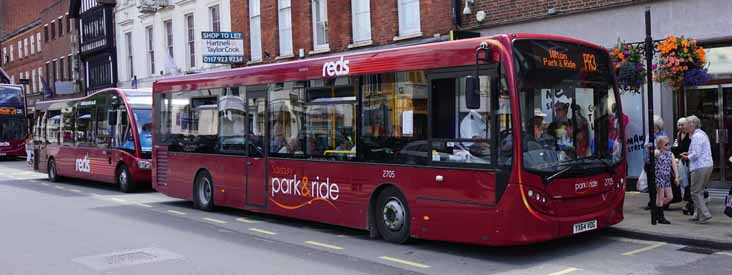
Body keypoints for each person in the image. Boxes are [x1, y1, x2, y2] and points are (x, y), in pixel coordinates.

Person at [680, 115, 714, 224]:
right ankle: (698, 214)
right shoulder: (701, 134)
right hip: (705, 165)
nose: (686, 126)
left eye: (687, 124)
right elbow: (697, 151)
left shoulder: (697, 136)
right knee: (699, 191)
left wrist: (687, 157)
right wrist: (689, 153)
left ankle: (704, 215)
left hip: (700, 166)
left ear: (693, 124)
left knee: (695, 192)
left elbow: (697, 154)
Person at [654, 136, 678, 224]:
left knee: (670, 197)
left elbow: (674, 166)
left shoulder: (670, 154)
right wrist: (652, 150)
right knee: (660, 196)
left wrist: (677, 176)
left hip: (667, 178)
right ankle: (660, 216)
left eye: (669, 144)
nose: (668, 146)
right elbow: (652, 154)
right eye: (666, 144)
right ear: (660, 145)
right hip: (659, 177)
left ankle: (656, 209)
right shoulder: (657, 152)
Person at [674, 118, 693, 215]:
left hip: (690, 161)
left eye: (682, 125)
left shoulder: (690, 135)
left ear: (687, 125)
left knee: (689, 182)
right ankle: (688, 203)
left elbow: (692, 148)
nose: (681, 127)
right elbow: (676, 147)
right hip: (682, 161)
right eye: (679, 125)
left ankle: (689, 204)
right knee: (685, 182)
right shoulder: (678, 135)